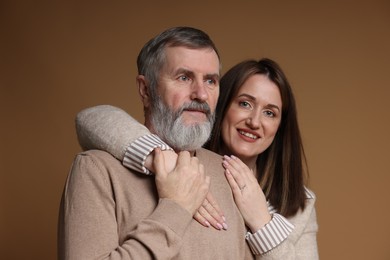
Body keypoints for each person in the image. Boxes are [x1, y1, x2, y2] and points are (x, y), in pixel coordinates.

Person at [75, 59, 319, 258]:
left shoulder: (300, 204)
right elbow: (92, 118)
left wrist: (263, 223)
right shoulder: (182, 165)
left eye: (269, 113)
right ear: (221, 106)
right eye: (244, 104)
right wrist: (161, 157)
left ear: (279, 126)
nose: (255, 122)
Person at [59, 26, 260, 260]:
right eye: (184, 78)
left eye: (210, 81)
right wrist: (175, 209)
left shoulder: (230, 174)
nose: (201, 94)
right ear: (145, 90)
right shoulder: (96, 170)